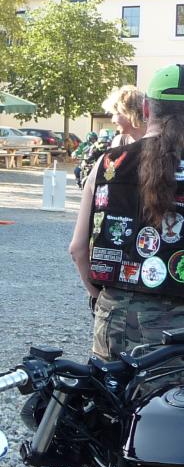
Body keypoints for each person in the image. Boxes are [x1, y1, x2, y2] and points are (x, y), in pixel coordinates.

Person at [70, 64, 184, 361]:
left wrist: (102, 297)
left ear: (146, 109)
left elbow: (78, 249)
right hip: (175, 328)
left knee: (108, 391)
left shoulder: (108, 163)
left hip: (113, 316)